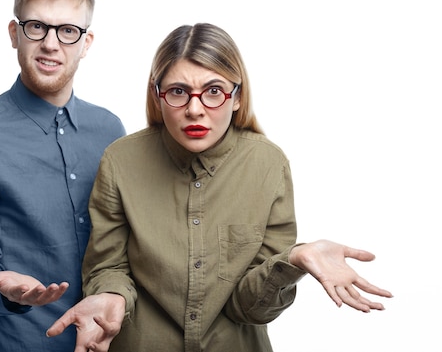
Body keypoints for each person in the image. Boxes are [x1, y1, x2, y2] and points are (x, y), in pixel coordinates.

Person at [46, 23, 393, 351]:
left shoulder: (268, 165)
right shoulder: (120, 161)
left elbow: (252, 309)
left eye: (213, 91)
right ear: (158, 96)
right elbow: (107, 266)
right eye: (178, 92)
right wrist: (111, 296)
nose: (195, 109)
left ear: (237, 97)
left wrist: (294, 259)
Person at [0, 0, 125, 351]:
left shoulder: (110, 131)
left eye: (68, 30)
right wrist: (6, 290)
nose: (51, 44)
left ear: (86, 43)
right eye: (36, 27)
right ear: (15, 34)